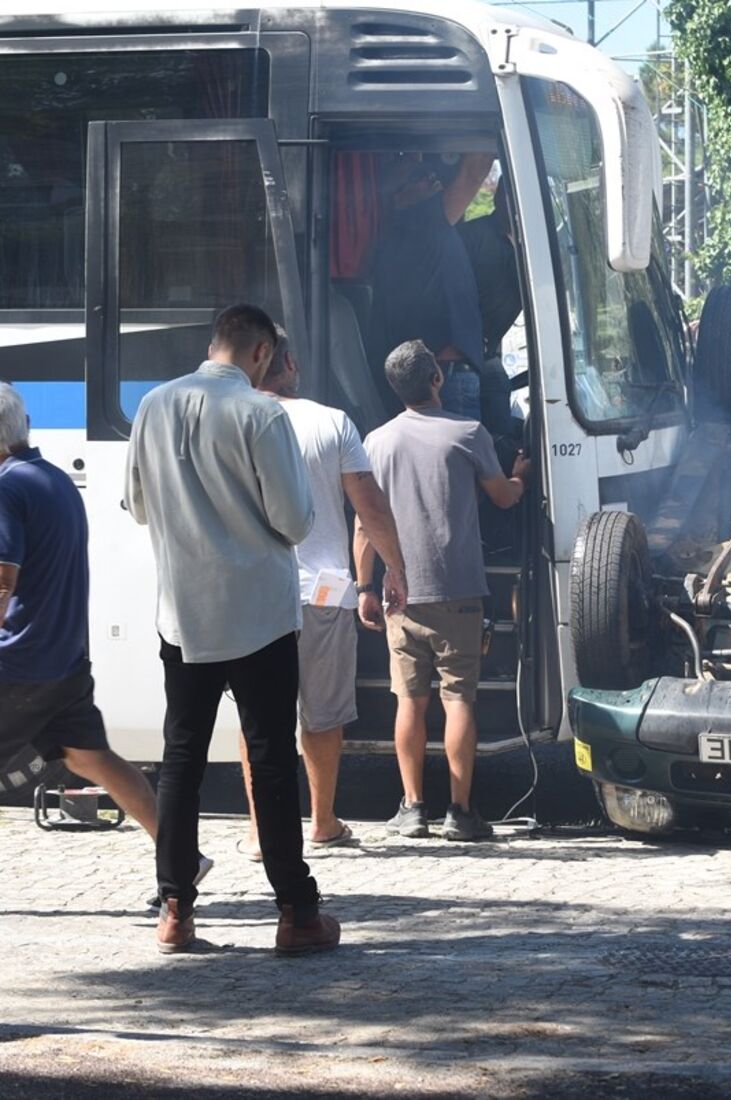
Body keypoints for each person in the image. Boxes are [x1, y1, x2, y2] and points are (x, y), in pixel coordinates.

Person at [125, 303, 339, 957]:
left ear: (215, 341)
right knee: (271, 762)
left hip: (183, 614)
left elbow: (137, 506)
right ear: (260, 354)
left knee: (181, 760)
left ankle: (175, 910)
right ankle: (296, 913)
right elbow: (294, 521)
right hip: (258, 615)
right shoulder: (261, 414)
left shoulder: (153, 405)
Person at [0, 383, 215, 889]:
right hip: (64, 659)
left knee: (92, 758)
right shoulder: (53, 479)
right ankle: (182, 856)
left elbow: (3, 579)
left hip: (20, 662)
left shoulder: (7, 487)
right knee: (91, 757)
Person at [235, 327, 407, 859]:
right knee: (323, 714)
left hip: (251, 595)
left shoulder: (230, 420)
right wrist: (394, 568)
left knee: (258, 717)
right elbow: (368, 505)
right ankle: (323, 820)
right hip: (325, 592)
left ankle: (260, 831)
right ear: (290, 364)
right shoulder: (332, 422)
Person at [356, 340, 531, 841]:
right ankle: (460, 812)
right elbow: (503, 498)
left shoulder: (376, 442)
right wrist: (520, 477)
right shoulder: (469, 433)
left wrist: (366, 586)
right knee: (458, 700)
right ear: (437, 379)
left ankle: (413, 809)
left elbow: (365, 524)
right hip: (459, 590)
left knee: (409, 702)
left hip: (401, 594)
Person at [367, 151, 495, 420]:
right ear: (398, 195)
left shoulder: (395, 236)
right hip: (446, 379)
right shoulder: (421, 221)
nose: (432, 179)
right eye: (419, 177)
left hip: (437, 378)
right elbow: (474, 172)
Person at [456, 173, 522, 441]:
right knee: (469, 443)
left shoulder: (533, 246)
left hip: (490, 355)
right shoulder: (471, 237)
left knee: (502, 436)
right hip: (460, 360)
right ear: (497, 198)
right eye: (508, 195)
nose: (514, 203)